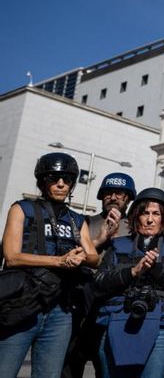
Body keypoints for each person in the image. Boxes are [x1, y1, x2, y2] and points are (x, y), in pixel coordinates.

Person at [0, 152, 100, 378]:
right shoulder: (22, 208)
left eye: (67, 179)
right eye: (54, 178)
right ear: (43, 181)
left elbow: (95, 258)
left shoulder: (76, 219)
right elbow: (12, 256)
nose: (61, 184)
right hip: (22, 303)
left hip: (60, 310)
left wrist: (81, 257)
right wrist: (59, 260)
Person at [93, 188, 164, 378]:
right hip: (115, 324)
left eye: (156, 214)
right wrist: (132, 272)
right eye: (145, 213)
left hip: (160, 329)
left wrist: (156, 268)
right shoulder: (117, 246)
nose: (150, 220)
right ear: (136, 217)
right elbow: (99, 283)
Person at [63, 172, 136, 378]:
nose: (113, 197)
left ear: (128, 198)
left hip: (116, 303)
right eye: (108, 193)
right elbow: (71, 255)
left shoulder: (136, 227)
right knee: (70, 363)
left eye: (119, 194)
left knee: (108, 367)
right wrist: (101, 239)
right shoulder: (86, 222)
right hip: (83, 300)